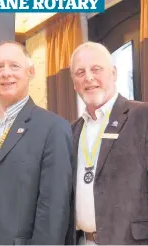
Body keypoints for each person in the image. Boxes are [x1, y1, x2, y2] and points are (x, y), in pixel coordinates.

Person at [0, 41, 74, 245]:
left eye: (15, 66)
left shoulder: (53, 128)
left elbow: (54, 209)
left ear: (30, 72)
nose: (6, 73)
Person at [66, 41, 148, 245]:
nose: (89, 77)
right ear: (74, 83)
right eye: (80, 72)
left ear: (113, 73)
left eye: (96, 69)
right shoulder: (70, 131)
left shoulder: (142, 117)